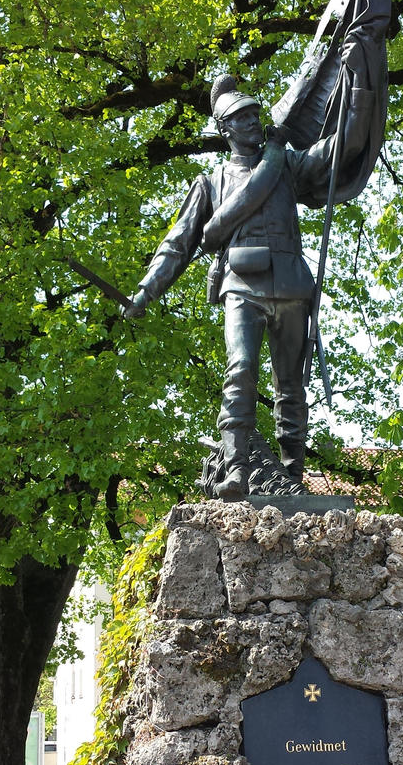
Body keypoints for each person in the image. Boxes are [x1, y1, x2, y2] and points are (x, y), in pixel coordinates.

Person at [124, 52, 380, 500]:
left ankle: (292, 477)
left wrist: (360, 85)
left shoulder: (287, 164)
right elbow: (177, 244)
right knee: (240, 370)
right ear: (225, 130)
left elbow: (342, 146)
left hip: (294, 287)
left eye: (256, 114)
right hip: (242, 286)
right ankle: (237, 469)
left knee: (291, 388)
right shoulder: (211, 182)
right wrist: (146, 292)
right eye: (242, 118)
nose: (253, 122)